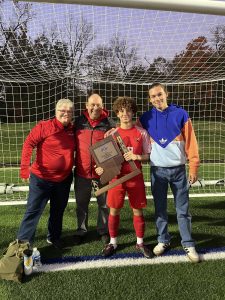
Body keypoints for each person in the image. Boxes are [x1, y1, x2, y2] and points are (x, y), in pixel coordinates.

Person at [139, 83, 200, 263]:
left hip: (179, 171)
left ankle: (188, 243)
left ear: (166, 93)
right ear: (149, 99)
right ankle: (163, 240)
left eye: (160, 94)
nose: (157, 98)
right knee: (160, 209)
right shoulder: (145, 118)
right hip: (157, 171)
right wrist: (115, 130)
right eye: (153, 96)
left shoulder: (181, 114)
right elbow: (131, 131)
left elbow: (191, 142)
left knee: (183, 210)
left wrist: (193, 165)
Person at [96, 96, 153, 259]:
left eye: (128, 110)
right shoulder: (112, 133)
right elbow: (105, 159)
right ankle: (113, 242)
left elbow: (148, 155)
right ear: (117, 113)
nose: (125, 114)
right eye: (121, 111)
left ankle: (140, 242)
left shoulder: (141, 133)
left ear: (133, 112)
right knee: (114, 210)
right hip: (116, 178)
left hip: (135, 177)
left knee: (137, 210)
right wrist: (101, 168)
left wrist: (136, 157)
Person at [17, 99, 75, 249]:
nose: (66, 113)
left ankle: (54, 237)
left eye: (69, 111)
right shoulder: (44, 126)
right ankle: (23, 243)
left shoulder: (73, 129)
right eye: (62, 110)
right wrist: (25, 169)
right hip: (41, 179)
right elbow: (28, 144)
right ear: (56, 112)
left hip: (63, 180)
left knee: (58, 211)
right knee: (33, 211)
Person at [74, 91, 115, 245]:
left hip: (101, 173)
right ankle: (81, 230)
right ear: (86, 106)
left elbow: (114, 150)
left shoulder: (109, 123)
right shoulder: (78, 122)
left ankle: (103, 230)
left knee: (104, 204)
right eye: (92, 104)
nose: (95, 108)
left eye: (98, 105)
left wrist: (105, 166)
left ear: (102, 106)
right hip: (81, 172)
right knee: (81, 204)